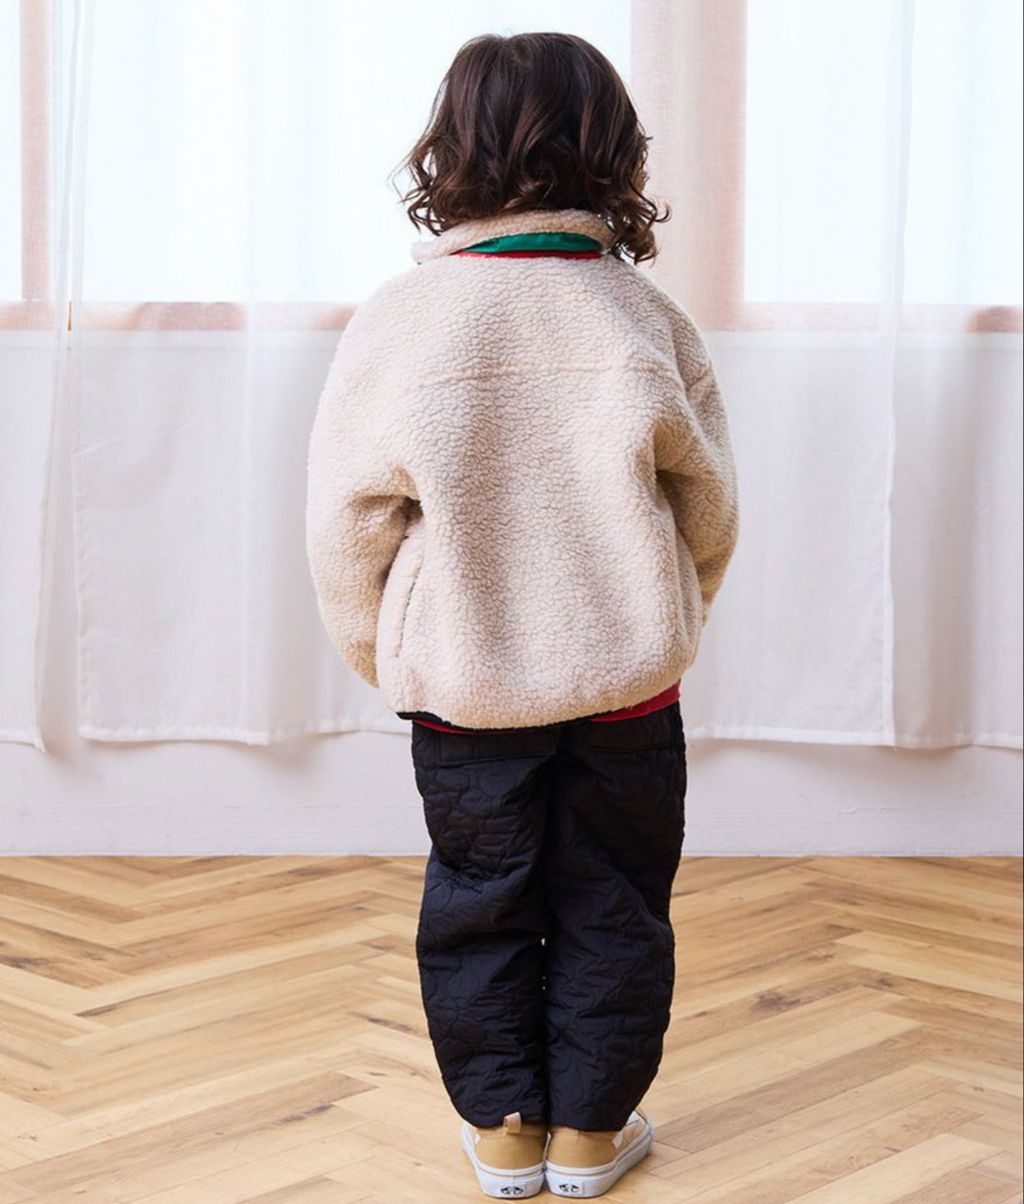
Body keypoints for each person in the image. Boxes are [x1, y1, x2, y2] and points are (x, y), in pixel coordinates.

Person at [305, 30, 739, 1200]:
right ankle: (590, 1133)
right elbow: (707, 511)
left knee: (478, 897)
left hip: (464, 686)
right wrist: (664, 623)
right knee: (614, 897)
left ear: (449, 150)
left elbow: (347, 526)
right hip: (627, 687)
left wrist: (393, 654)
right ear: (614, 150)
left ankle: (504, 1130)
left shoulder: (403, 319)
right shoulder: (642, 315)